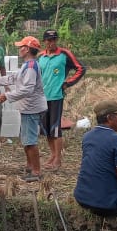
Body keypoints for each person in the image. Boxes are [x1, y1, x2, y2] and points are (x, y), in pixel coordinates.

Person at [0, 36, 47, 181]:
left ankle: (36, 172)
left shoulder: (31, 67)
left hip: (31, 109)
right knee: (26, 139)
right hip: (27, 108)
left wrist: (7, 96)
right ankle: (30, 166)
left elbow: (27, 89)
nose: (19, 49)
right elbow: (11, 79)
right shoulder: (27, 65)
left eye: (21, 47)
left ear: (26, 49)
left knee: (30, 141)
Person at [36, 29, 85, 170]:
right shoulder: (41, 57)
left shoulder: (64, 54)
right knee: (46, 129)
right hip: (42, 97)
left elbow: (80, 68)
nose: (51, 43)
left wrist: (67, 83)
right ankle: (52, 154)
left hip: (56, 96)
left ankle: (58, 158)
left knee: (55, 128)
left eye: (54, 40)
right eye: (49, 40)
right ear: (44, 41)